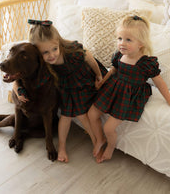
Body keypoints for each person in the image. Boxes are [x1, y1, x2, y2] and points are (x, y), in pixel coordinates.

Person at [13, 19, 108, 163]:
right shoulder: (39, 62)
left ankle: (97, 141)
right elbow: (18, 77)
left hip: (82, 80)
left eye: (54, 49)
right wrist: (18, 90)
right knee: (66, 115)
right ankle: (62, 147)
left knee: (82, 114)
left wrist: (99, 75)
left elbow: (89, 57)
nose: (51, 55)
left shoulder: (72, 51)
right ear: (38, 53)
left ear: (59, 43)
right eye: (45, 52)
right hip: (65, 86)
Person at [88, 15, 170, 163]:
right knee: (92, 113)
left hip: (129, 96)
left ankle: (110, 147)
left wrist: (168, 99)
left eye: (128, 40)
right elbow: (113, 69)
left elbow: (159, 82)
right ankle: (100, 139)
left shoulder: (145, 63)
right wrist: (102, 82)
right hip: (113, 89)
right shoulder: (119, 55)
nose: (122, 43)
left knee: (109, 128)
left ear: (141, 43)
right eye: (119, 38)